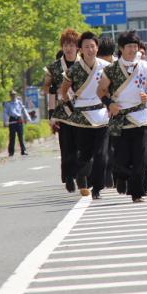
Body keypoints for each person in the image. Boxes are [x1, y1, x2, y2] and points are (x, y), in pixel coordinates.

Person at [100, 30, 147, 202]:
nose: (132, 50)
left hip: (140, 117)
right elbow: (101, 91)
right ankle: (121, 176)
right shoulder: (111, 69)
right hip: (120, 119)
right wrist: (109, 103)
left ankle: (137, 193)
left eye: (135, 46)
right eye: (129, 47)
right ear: (121, 48)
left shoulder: (146, 67)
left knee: (142, 157)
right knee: (121, 158)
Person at [60, 32, 110, 198]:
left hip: (102, 114)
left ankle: (97, 188)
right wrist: (69, 103)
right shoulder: (74, 69)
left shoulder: (106, 66)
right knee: (85, 153)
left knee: (101, 154)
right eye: (86, 46)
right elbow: (63, 89)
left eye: (93, 46)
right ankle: (81, 178)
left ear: (97, 47)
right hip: (81, 116)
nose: (90, 49)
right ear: (80, 49)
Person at [43, 28, 80, 192]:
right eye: (66, 44)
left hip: (83, 111)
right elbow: (46, 88)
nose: (69, 48)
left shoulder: (85, 64)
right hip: (63, 112)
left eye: (72, 44)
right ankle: (69, 177)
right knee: (66, 147)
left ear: (77, 46)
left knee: (82, 146)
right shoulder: (54, 67)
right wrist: (51, 114)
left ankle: (81, 174)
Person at [97, 36, 117, 188]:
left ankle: (113, 174)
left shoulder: (119, 66)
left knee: (116, 145)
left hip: (117, 111)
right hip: (99, 113)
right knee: (104, 146)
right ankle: (107, 175)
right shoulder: (94, 67)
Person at [4, 90, 31, 156]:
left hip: (19, 120)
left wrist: (28, 117)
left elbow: (24, 110)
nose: (13, 96)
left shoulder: (19, 102)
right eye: (12, 95)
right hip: (12, 120)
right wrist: (6, 121)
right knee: (12, 137)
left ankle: (23, 150)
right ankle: (11, 152)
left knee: (21, 136)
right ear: (10, 96)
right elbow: (5, 113)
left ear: (16, 95)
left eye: (14, 95)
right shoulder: (7, 104)